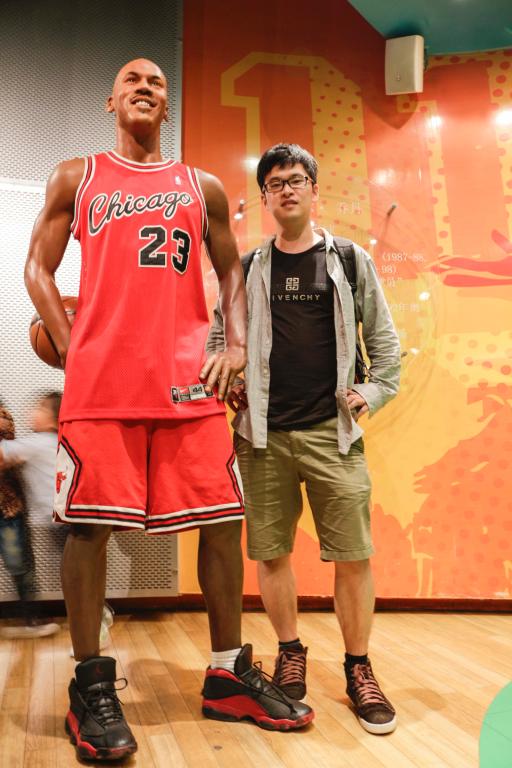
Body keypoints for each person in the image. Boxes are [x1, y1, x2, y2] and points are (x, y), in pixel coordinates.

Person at [25, 63, 312, 762]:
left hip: (188, 384)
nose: (146, 85)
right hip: (103, 387)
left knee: (223, 520)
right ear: (112, 100)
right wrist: (70, 344)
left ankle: (227, 673)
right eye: (132, 78)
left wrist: (235, 345)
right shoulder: (77, 176)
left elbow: (232, 268)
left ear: (166, 102)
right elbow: (38, 266)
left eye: (156, 79)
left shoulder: (199, 185)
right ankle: (91, 685)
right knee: (89, 528)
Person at [207, 143, 401, 735]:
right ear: (265, 197)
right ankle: (290, 652)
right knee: (271, 554)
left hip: (331, 435)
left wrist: (372, 392)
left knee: (354, 555)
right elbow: (218, 336)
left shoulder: (349, 260)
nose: (287, 190)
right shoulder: (248, 267)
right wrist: (227, 377)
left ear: (313, 190)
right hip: (261, 436)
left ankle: (359, 667)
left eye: (296, 180)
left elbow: (386, 345)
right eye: (275, 183)